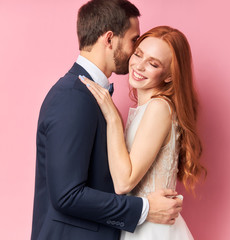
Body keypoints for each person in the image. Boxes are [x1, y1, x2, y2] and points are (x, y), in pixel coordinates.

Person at [31, 1, 182, 240]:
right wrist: (145, 209)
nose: (134, 52)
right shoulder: (74, 97)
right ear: (110, 39)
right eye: (134, 41)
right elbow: (66, 195)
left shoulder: (89, 96)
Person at [79, 25, 207, 240]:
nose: (139, 66)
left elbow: (123, 183)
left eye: (153, 64)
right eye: (138, 54)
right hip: (141, 224)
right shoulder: (150, 108)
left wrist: (112, 116)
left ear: (169, 77)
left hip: (152, 230)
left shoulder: (159, 107)